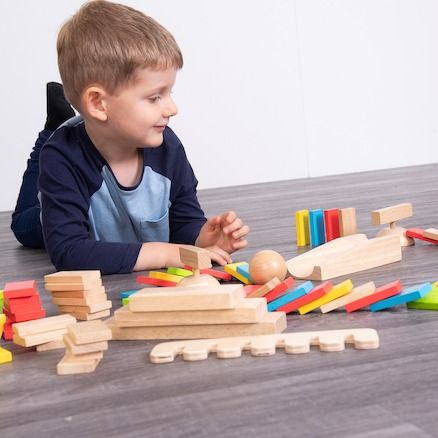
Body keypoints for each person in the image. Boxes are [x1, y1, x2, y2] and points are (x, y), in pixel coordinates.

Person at [11, 0, 249, 275]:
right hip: (61, 188)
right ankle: (52, 129)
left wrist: (199, 240)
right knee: (25, 226)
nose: (172, 108)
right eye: (154, 97)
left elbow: (183, 222)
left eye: (170, 93)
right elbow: (69, 252)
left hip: (117, 226)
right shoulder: (63, 158)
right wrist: (166, 252)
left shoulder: (167, 147)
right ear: (99, 104)